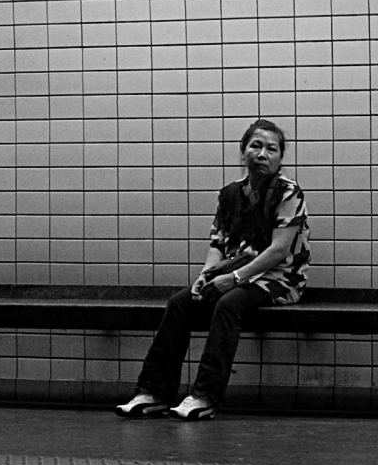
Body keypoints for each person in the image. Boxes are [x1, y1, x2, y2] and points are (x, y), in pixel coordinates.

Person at [115, 118, 310, 421]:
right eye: (255, 146)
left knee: (228, 305)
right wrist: (205, 277)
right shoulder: (230, 194)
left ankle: (204, 395)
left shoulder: (289, 193)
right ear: (242, 151)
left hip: (280, 279)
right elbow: (217, 244)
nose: (262, 154)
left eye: (272, 149)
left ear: (280, 159)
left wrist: (232, 280)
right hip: (233, 275)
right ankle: (153, 392)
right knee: (181, 303)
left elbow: (278, 251)